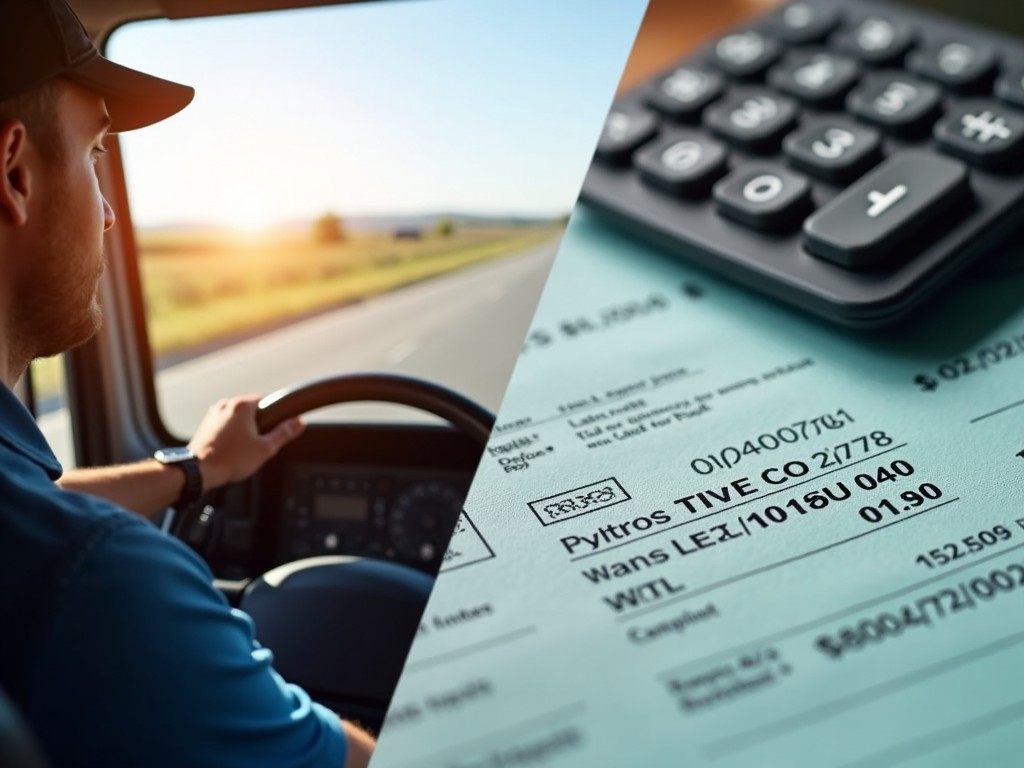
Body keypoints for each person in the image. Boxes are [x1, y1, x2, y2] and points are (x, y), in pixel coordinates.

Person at [0, 0, 375, 765]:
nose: (107, 216)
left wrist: (198, 471)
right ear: (14, 172)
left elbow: (35, 512)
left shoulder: (36, 528)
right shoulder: (107, 587)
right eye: (96, 154)